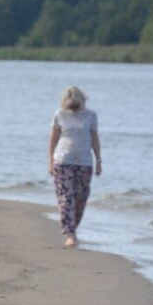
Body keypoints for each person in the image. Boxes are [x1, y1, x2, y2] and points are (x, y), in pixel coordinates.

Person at [48, 86, 102, 248]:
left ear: (82, 101)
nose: (73, 109)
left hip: (84, 162)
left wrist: (99, 160)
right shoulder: (59, 115)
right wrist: (50, 162)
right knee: (66, 198)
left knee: (80, 199)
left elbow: (94, 139)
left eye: (76, 105)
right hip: (63, 161)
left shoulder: (91, 115)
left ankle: (72, 229)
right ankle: (70, 234)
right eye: (70, 106)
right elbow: (53, 140)